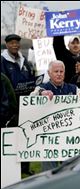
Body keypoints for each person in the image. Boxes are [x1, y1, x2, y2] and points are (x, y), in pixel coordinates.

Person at [30, 60, 80, 171]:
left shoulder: (72, 88)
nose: (59, 74)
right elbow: (31, 97)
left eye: (61, 71)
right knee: (48, 173)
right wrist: (41, 93)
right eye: (56, 71)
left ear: (64, 73)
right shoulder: (42, 87)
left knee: (70, 170)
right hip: (49, 138)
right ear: (49, 73)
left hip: (69, 137)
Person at [1, 34, 36, 176]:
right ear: (7, 45)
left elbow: (31, 78)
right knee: (12, 139)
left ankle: (25, 168)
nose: (15, 45)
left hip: (26, 106)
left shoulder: (24, 60)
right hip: (10, 107)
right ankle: (10, 169)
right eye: (12, 43)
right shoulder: (2, 61)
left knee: (25, 136)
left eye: (17, 43)